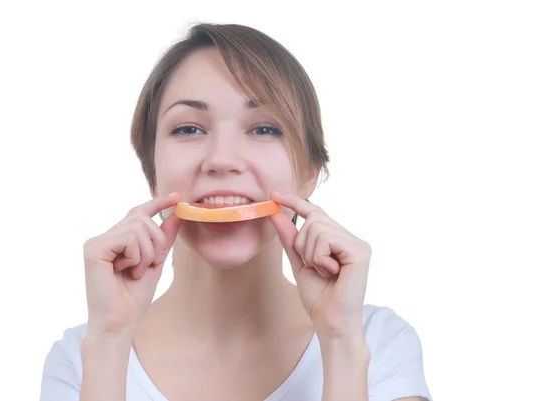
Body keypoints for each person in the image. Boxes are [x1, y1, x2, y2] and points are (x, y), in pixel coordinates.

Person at [39, 23, 432, 401]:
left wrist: (340, 342)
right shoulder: (81, 358)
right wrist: (109, 340)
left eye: (264, 129)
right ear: (152, 172)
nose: (223, 160)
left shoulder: (375, 344)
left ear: (310, 174)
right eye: (189, 129)